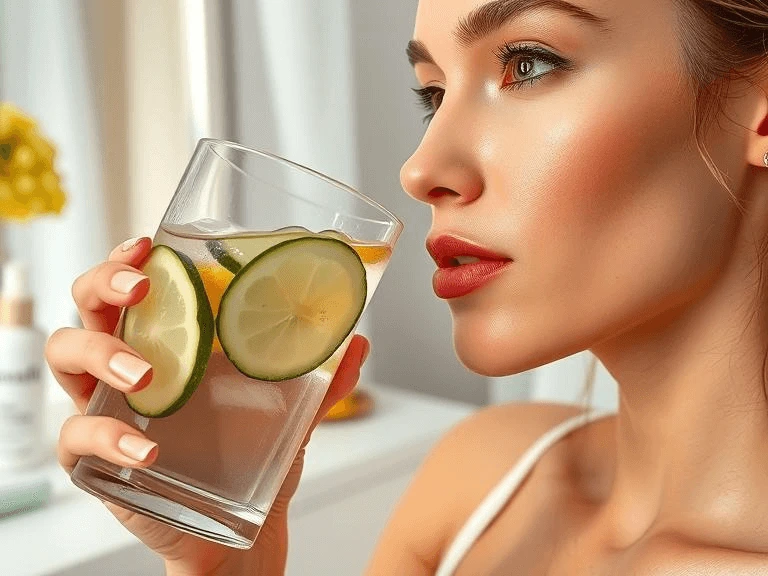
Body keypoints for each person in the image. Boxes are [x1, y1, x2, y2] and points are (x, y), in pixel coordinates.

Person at [45, 0, 768, 573]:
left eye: (529, 63)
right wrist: (222, 563)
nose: (420, 169)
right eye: (433, 93)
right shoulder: (485, 477)